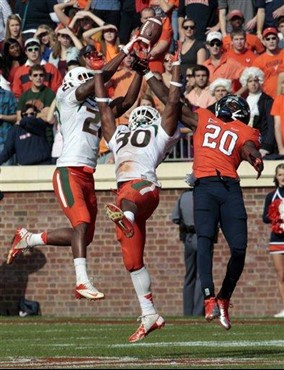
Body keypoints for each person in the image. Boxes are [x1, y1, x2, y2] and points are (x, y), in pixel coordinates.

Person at [6, 39, 146, 300]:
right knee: (81, 224)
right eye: (91, 80)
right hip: (68, 171)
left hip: (87, 175)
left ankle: (29, 238)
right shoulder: (67, 98)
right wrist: (124, 52)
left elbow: (125, 102)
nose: (95, 85)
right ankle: (82, 281)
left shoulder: (96, 105)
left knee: (83, 235)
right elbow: (98, 80)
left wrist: (140, 71)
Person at [144, 69, 264, 329]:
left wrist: (254, 156)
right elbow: (171, 101)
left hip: (230, 188)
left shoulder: (245, 130)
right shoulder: (203, 118)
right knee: (204, 240)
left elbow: (247, 146)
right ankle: (209, 297)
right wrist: (148, 75)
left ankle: (224, 297)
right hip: (206, 185)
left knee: (240, 248)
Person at [93, 52, 181, 342]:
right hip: (129, 196)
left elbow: (106, 110)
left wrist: (98, 77)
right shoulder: (125, 135)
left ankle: (125, 218)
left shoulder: (155, 135)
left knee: (125, 201)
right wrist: (173, 70)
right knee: (132, 260)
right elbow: (170, 104)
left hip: (143, 188)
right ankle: (150, 313)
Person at [171, 189, 204, 316]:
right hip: (202, 237)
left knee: (189, 276)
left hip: (188, 238)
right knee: (202, 275)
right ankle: (198, 312)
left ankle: (187, 311)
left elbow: (175, 218)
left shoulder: (183, 196)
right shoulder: (206, 195)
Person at [262, 163, 284, 318]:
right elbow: (265, 217)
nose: (283, 178)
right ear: (276, 177)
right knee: (281, 274)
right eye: (280, 174)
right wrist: (276, 216)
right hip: (277, 239)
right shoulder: (272, 196)